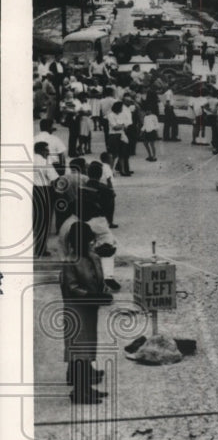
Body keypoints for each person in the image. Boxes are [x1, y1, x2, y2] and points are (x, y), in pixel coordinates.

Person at [60, 220, 113, 405]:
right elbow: (72, 288)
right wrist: (93, 296)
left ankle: (85, 388)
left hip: (90, 311)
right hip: (76, 312)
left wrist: (104, 292)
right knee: (80, 353)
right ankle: (79, 392)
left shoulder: (94, 257)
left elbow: (101, 280)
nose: (90, 244)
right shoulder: (70, 262)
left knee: (88, 350)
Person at [33, 142, 58, 258]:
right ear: (41, 150)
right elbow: (54, 179)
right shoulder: (45, 163)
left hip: (33, 190)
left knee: (36, 219)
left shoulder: (29, 160)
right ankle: (41, 248)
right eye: (47, 150)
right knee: (45, 221)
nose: (48, 152)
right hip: (45, 191)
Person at [107, 101, 132, 176]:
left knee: (122, 154)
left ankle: (123, 170)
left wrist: (122, 125)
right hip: (114, 136)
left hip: (122, 135)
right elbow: (115, 127)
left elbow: (124, 125)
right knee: (114, 155)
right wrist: (123, 125)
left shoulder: (121, 115)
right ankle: (111, 171)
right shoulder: (110, 115)